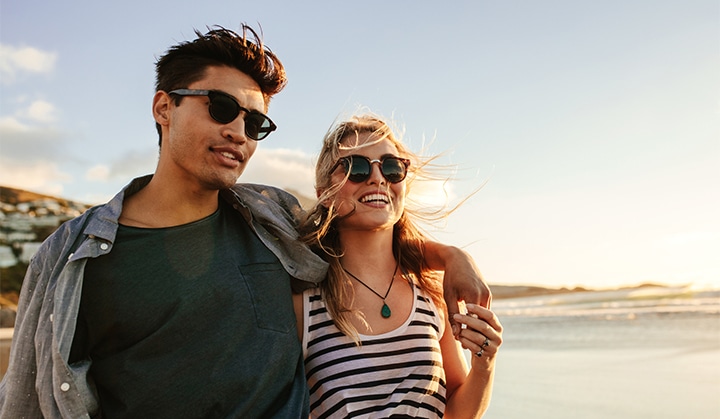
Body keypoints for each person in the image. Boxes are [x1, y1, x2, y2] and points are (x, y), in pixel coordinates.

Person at [0, 25, 491, 419]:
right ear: (163, 107)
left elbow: (365, 226)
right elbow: (25, 397)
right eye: (221, 108)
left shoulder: (272, 223)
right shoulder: (73, 257)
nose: (238, 132)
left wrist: (453, 258)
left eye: (255, 123)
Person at [294, 114, 502, 418]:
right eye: (356, 167)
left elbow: (456, 409)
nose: (377, 178)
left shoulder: (430, 296)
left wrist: (485, 364)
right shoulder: (304, 303)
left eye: (391, 167)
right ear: (323, 192)